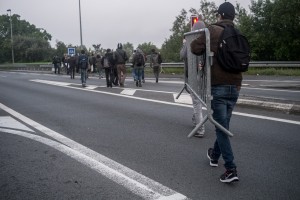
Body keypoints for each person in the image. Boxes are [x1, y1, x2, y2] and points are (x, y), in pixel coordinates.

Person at [190, 2, 242, 183]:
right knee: (223, 125)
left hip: (218, 85)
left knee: (221, 128)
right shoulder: (238, 33)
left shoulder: (212, 30)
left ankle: (230, 168)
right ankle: (214, 156)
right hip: (236, 86)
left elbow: (194, 48)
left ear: (220, 15)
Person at [180, 20, 206, 138]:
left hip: (194, 75)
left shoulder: (191, 41)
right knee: (199, 100)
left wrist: (185, 43)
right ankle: (196, 120)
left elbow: (183, 55)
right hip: (205, 76)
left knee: (196, 101)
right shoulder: (208, 39)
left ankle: (200, 128)